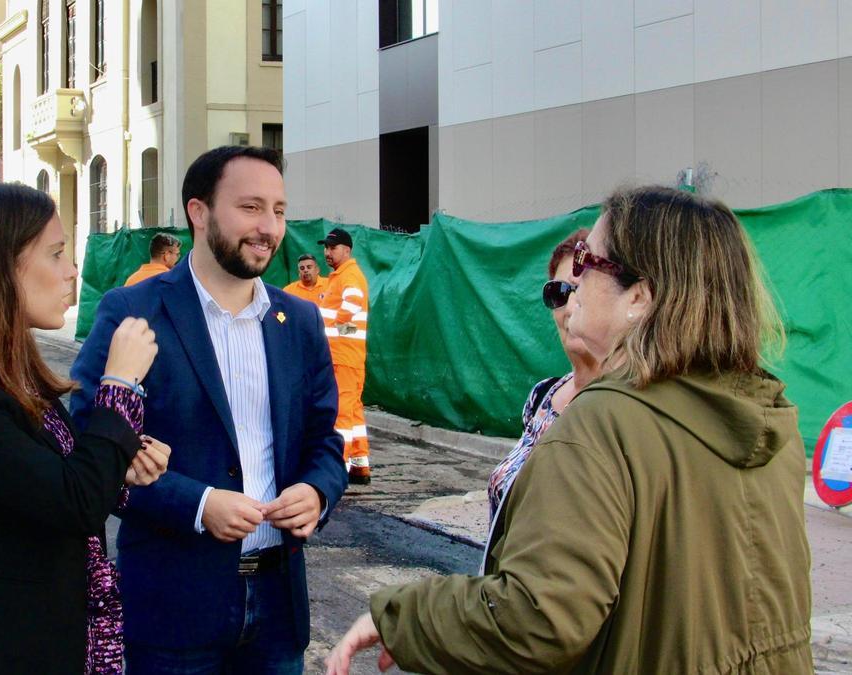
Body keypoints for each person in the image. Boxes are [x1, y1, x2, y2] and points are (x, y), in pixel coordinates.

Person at [326, 186, 812, 674]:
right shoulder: (769, 423)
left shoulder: (603, 424)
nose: (573, 282)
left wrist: (404, 616)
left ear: (638, 298)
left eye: (587, 262)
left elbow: (537, 618)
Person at [71, 146, 347, 673]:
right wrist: (197, 505)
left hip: (278, 610)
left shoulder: (300, 322)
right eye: (250, 207)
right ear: (199, 212)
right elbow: (91, 439)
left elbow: (325, 441)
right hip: (172, 613)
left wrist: (317, 492)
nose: (269, 227)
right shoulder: (133, 312)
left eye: (279, 210)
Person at [0, 181, 172, 673]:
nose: (72, 271)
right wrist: (120, 383)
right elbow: (75, 502)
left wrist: (119, 467)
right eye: (56, 254)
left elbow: (50, 479)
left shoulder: (5, 369)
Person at [485, 228, 599, 524]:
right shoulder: (542, 396)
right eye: (559, 293)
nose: (570, 308)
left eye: (583, 291)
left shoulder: (621, 410)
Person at [318, 227, 372, 484]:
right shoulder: (342, 275)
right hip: (348, 357)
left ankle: (339, 466)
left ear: (347, 250)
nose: (327, 252)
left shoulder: (349, 276)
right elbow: (351, 323)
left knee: (341, 413)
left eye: (333, 248)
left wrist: (327, 326)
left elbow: (351, 303)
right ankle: (359, 465)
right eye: (326, 248)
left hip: (343, 357)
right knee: (353, 411)